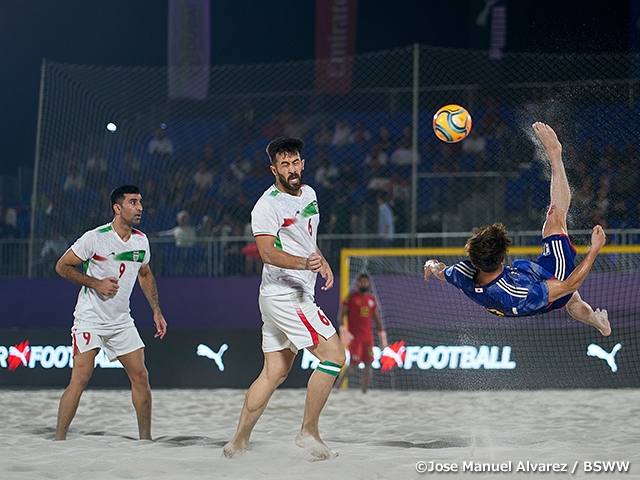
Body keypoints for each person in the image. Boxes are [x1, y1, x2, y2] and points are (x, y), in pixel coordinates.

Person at [423, 123, 611, 337]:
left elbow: (440, 271)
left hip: (518, 289)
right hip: (542, 289)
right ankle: (555, 154)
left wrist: (430, 264)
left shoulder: (461, 273)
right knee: (554, 221)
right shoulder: (518, 292)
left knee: (573, 300)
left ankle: (599, 323)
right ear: (503, 258)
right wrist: (594, 250)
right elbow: (569, 284)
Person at [223, 137, 345, 460]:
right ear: (273, 170)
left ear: (302, 164)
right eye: (284, 164)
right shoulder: (267, 205)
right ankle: (308, 432)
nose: (291, 169)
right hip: (287, 295)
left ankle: (237, 443)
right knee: (335, 356)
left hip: (281, 295)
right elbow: (266, 252)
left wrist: (322, 261)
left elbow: (306, 238)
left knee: (273, 372)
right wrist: (306, 264)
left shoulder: (310, 194)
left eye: (295, 163)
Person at [54, 185, 167, 441]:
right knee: (80, 379)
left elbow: (145, 274)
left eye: (140, 202)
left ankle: (146, 440)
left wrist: (156, 310)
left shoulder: (141, 240)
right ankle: (59, 439)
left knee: (141, 376)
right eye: (133, 202)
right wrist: (96, 283)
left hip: (121, 321)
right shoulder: (95, 238)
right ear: (117, 208)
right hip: (90, 319)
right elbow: (62, 266)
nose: (140, 207)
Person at [334, 274, 387, 392]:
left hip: (368, 337)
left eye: (365, 282)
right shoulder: (351, 297)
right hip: (354, 337)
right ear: (357, 283)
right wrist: (342, 329)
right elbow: (341, 314)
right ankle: (338, 386)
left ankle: (364, 391)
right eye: (361, 282)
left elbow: (376, 318)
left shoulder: (371, 299)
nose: (363, 284)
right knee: (354, 363)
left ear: (369, 283)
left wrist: (382, 336)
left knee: (368, 363)